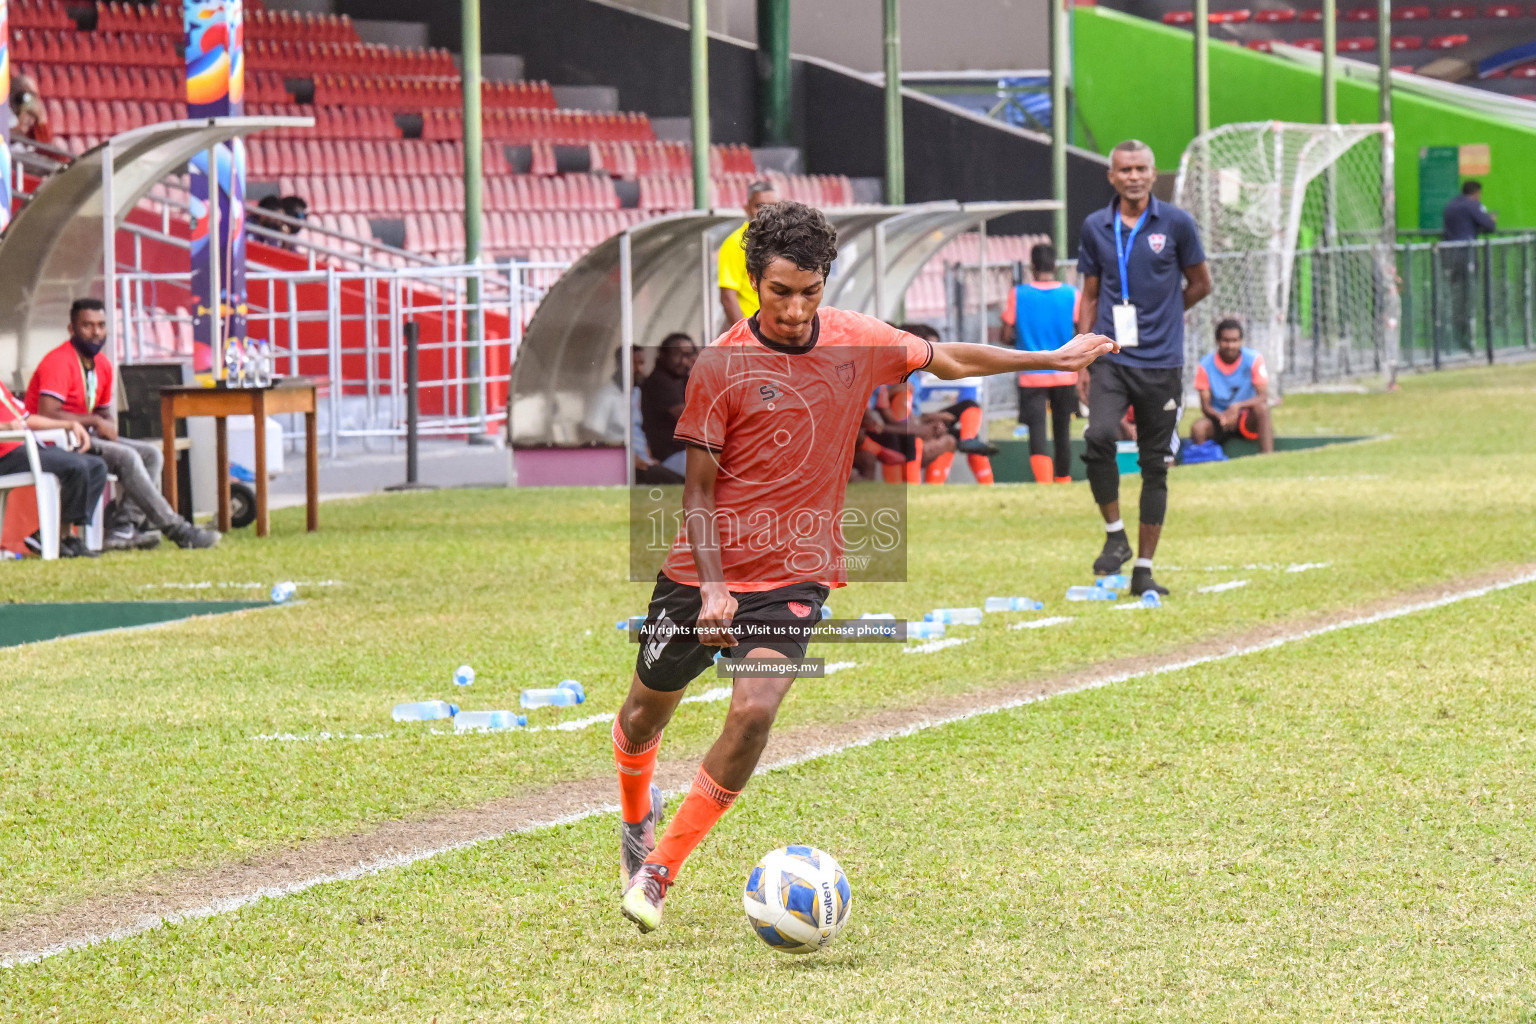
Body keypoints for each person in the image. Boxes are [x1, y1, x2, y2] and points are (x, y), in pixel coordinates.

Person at [614, 201, 1116, 933]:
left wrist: (1050, 356)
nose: (794, 308)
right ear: (754, 282)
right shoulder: (720, 365)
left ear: (826, 282)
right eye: (780, 291)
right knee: (641, 714)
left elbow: (944, 358)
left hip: (796, 571)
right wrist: (713, 587)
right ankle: (636, 820)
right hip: (703, 570)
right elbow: (696, 490)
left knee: (754, 712)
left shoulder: (857, 339)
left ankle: (660, 872)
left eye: (809, 291)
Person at [1076, 139, 1212, 597]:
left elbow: (1200, 283)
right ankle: (1116, 537)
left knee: (1156, 465)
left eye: (1141, 169)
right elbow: (1091, 293)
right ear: (1111, 176)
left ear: (1155, 175)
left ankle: (1144, 568)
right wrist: (1081, 356)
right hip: (1112, 356)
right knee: (1098, 436)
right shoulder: (1096, 226)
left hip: (1162, 363)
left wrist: (1168, 316)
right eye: (1124, 169)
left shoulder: (1176, 223)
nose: (1133, 176)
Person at [26, 299, 221, 550]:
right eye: (87, 325)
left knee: (151, 454)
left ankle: (123, 528)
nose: (96, 332)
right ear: (71, 329)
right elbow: (48, 413)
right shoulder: (59, 361)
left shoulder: (103, 365)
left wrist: (106, 422)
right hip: (54, 440)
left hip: (85, 437)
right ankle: (178, 529)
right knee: (127, 456)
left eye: (101, 325)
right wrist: (95, 421)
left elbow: (102, 412)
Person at [0, 378, 105, 558]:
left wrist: (69, 424)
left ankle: (63, 535)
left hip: (28, 447)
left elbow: (26, 419)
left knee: (96, 466)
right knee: (75, 465)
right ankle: (53, 536)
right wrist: (6, 427)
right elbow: (15, 425)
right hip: (6, 455)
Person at [1002, 242, 1079, 484]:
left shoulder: (1018, 294)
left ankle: (1043, 482)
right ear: (1055, 266)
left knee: (1036, 430)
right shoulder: (1071, 294)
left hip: (1031, 373)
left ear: (1031, 266)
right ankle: (1063, 480)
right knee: (1062, 429)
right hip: (1065, 372)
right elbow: (1079, 328)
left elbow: (1005, 334)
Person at [1191, 319, 1274, 454]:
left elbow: (1263, 396)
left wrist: (1237, 407)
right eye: (1226, 341)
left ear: (1241, 341)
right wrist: (1222, 416)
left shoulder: (1254, 359)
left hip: (1246, 418)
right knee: (1198, 428)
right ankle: (1204, 460)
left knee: (1262, 409)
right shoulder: (1205, 365)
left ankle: (1268, 455)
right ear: (1217, 341)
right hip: (1220, 420)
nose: (1230, 345)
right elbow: (1205, 406)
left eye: (1235, 341)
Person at [717, 181, 781, 327]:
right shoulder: (735, 242)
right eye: (760, 206)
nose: (766, 212)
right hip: (754, 329)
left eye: (772, 206)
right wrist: (746, 334)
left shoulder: (785, 241)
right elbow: (728, 296)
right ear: (747, 208)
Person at [1441, 181, 1495, 350]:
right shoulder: (1472, 205)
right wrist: (1491, 219)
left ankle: (1452, 336)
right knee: (1468, 296)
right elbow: (1489, 226)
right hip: (1466, 256)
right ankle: (1467, 340)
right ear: (1476, 193)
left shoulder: (1450, 205)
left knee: (1453, 296)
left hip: (1449, 255)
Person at [639, 332, 698, 480]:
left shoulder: (682, 378)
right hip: (671, 457)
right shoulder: (659, 381)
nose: (684, 361)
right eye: (678, 355)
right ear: (663, 355)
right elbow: (691, 416)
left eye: (688, 356)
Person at [10, 73, 53, 144]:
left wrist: (41, 120)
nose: (28, 99)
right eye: (23, 94)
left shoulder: (34, 114)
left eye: (32, 95)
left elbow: (45, 145)